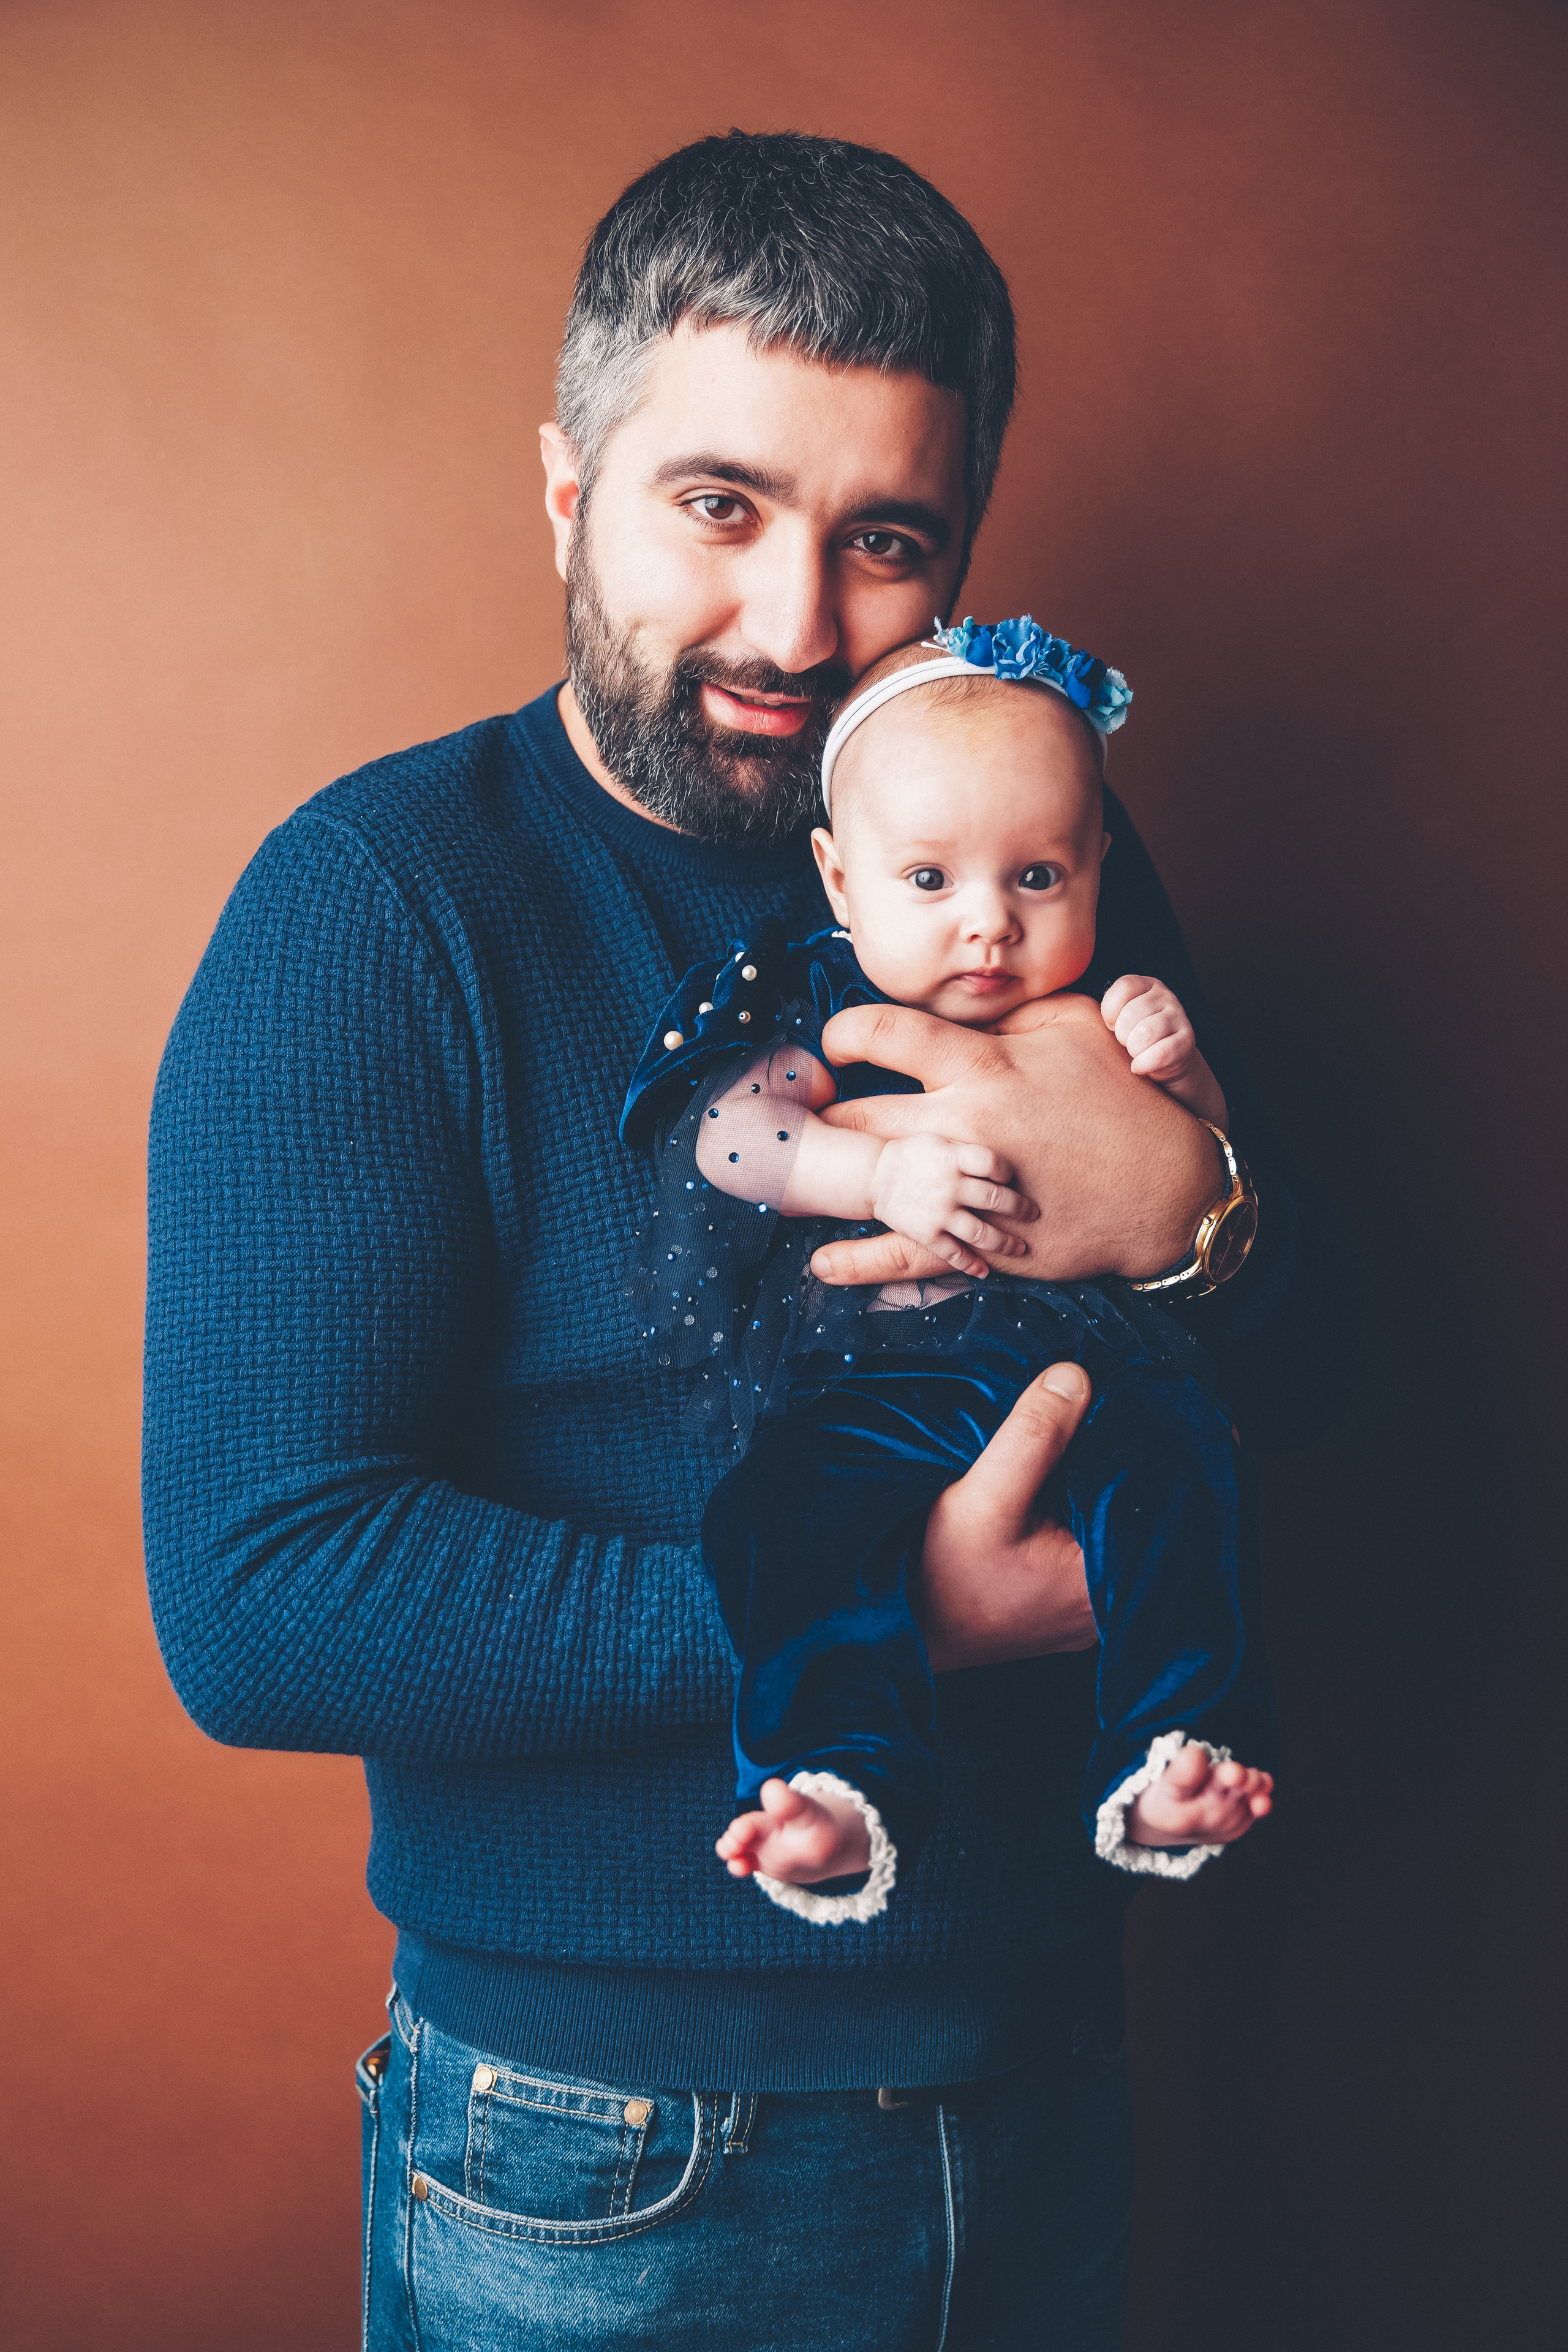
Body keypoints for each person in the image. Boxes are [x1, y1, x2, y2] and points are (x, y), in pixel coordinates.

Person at [143, 132, 1347, 2350]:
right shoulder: (376, 909)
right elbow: (259, 1600)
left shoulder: (1027, 847)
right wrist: (898, 1612)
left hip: (1043, 2078)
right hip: (607, 2151)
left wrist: (1203, 1225)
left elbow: (1283, 1375)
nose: (801, 627)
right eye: (721, 505)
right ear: (567, 479)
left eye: (886, 539)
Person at [619, 623, 1274, 1923]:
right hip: (878, 1376)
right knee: (777, 1522)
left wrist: (1179, 1073)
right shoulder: (813, 996)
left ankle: (1173, 1743)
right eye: (927, 880)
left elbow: (1206, 1158)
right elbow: (729, 1137)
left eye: (1035, 875)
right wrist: (870, 1180)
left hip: (1086, 1370)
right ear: (839, 880)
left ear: (1092, 867)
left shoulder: (1102, 1006)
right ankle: (828, 1782)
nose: (986, 924)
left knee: (1182, 1474)